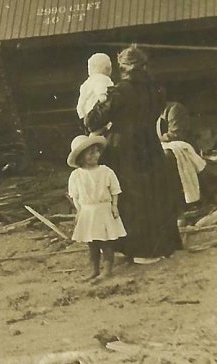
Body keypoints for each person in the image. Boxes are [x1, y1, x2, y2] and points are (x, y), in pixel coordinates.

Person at [85, 46, 182, 264]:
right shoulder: (156, 90)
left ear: (123, 67)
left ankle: (136, 250)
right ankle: (158, 248)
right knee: (153, 194)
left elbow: (91, 121)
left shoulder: (120, 91)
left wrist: (99, 102)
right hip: (150, 145)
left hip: (124, 148)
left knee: (129, 197)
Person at [67, 134, 126, 282]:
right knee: (92, 243)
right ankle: (94, 270)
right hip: (87, 211)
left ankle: (107, 270)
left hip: (103, 210)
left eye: (96, 152)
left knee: (106, 242)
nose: (95, 155)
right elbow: (75, 196)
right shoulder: (76, 175)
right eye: (90, 153)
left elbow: (115, 190)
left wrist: (114, 206)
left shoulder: (106, 171)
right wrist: (79, 211)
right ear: (81, 157)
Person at [76, 53, 113, 133]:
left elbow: (80, 106)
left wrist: (83, 118)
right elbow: (103, 96)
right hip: (99, 118)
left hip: (88, 119)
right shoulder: (102, 79)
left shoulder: (86, 83)